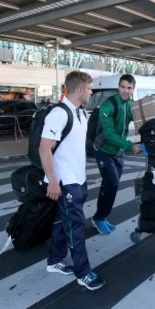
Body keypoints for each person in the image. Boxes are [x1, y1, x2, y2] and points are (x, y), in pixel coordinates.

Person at [39, 71, 105, 291]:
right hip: (64, 181)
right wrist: (53, 181)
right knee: (75, 227)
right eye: (89, 88)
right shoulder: (59, 113)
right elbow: (44, 148)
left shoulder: (80, 112)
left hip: (78, 179)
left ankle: (55, 260)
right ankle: (83, 273)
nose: (91, 92)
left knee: (61, 222)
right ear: (79, 90)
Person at [92, 74, 140, 235]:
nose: (125, 91)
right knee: (111, 183)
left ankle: (102, 216)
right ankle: (99, 218)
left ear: (133, 89)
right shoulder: (108, 105)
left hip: (118, 152)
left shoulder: (131, 105)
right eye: (122, 87)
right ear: (118, 87)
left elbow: (142, 122)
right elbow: (110, 134)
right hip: (103, 150)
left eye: (129, 88)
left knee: (110, 185)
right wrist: (129, 146)